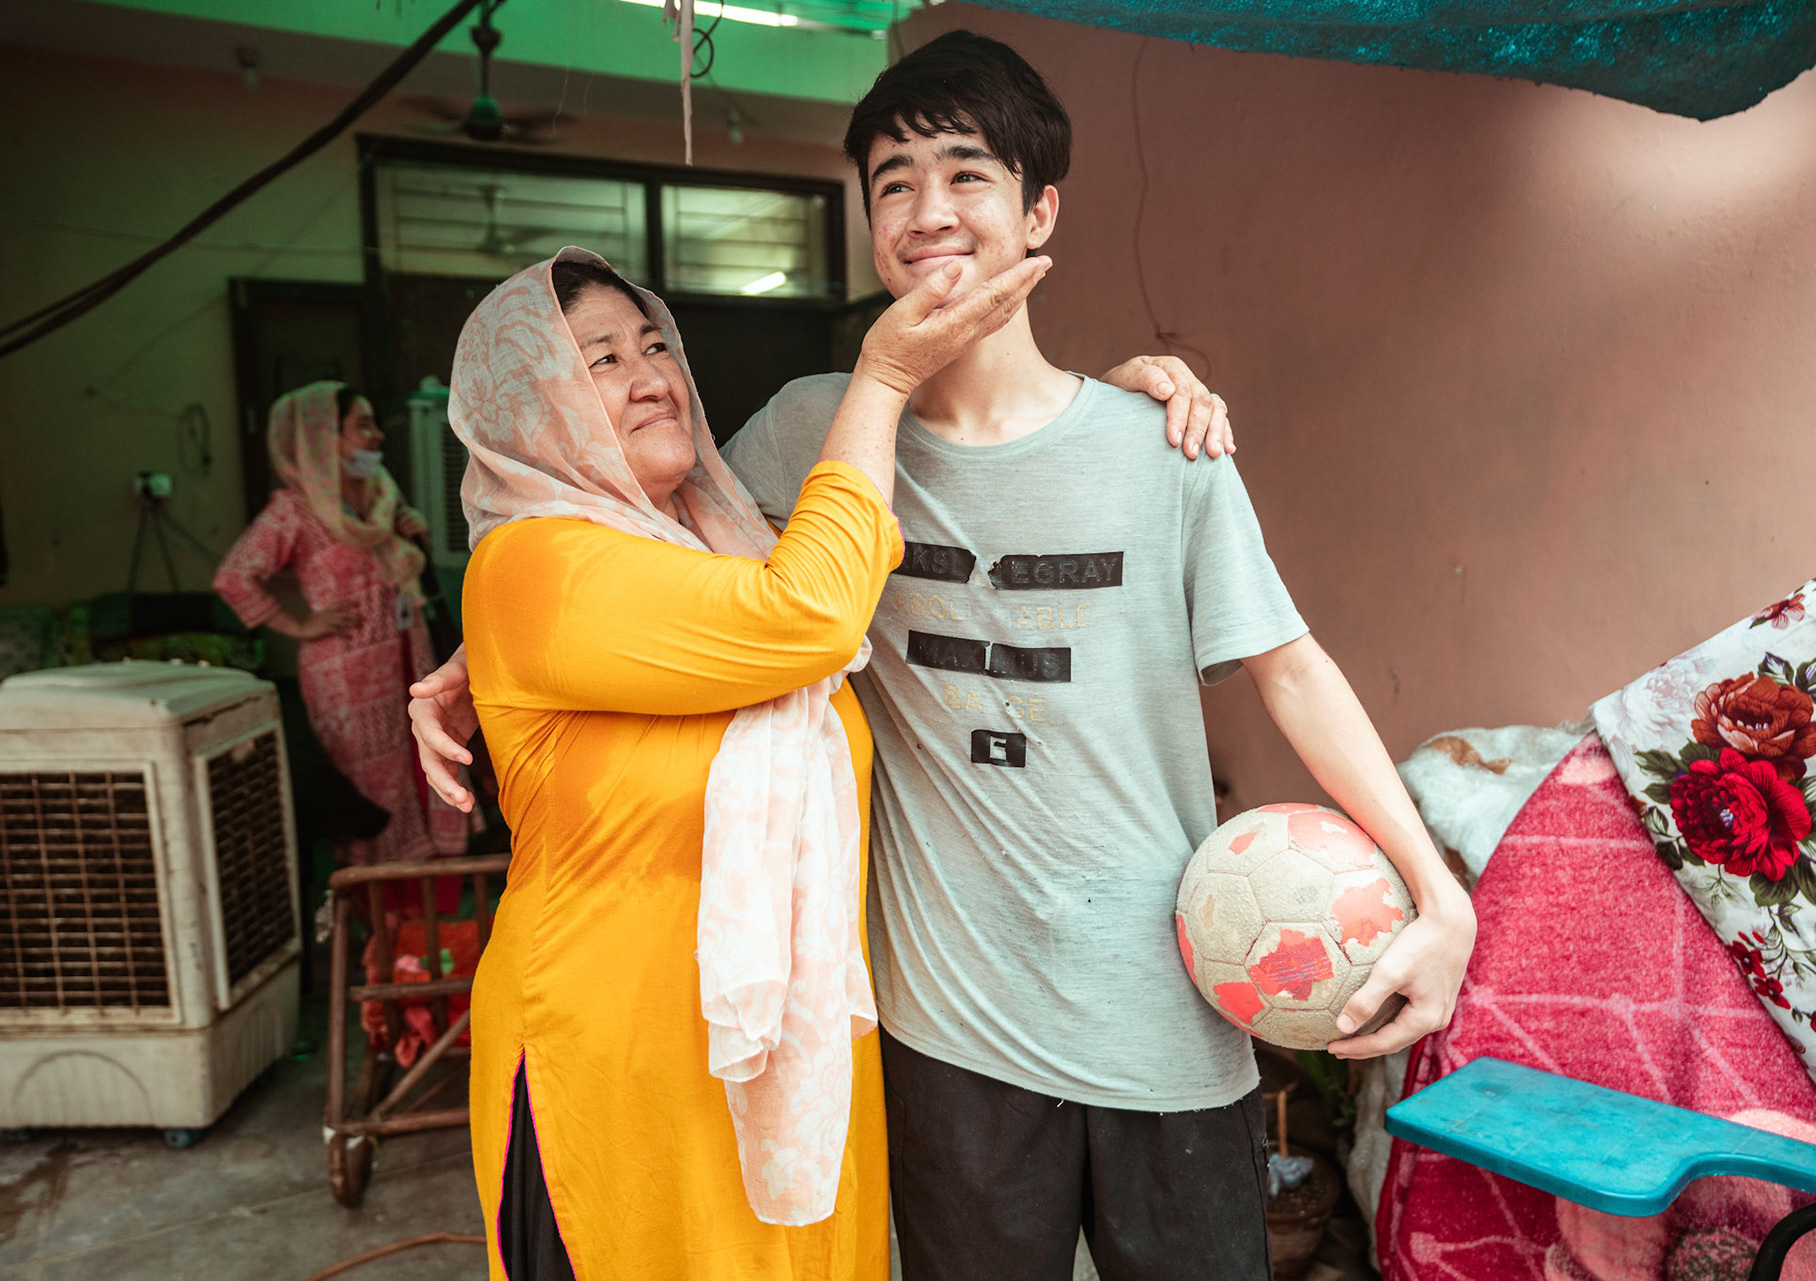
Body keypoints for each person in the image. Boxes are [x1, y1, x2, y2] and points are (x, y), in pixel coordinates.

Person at [421, 30, 1479, 1281]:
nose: (929, 211)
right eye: (893, 184)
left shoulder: (1160, 445)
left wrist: (1440, 891)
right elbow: (665, 551)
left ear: (1040, 212)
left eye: (968, 174)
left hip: (1168, 1011)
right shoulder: (814, 430)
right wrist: (467, 653)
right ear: (870, 228)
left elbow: (1291, 668)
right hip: (944, 1032)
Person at [454, 246, 1049, 1281]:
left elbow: (838, 554)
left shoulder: (715, 549)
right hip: (622, 1057)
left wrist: (1121, 389)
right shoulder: (532, 566)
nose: (651, 375)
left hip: (793, 1047)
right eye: (599, 360)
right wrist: (884, 376)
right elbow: (813, 615)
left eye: (654, 346)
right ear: (529, 406)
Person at [214, 382, 475, 870]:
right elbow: (234, 576)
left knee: (423, 767)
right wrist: (300, 625)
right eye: (362, 427)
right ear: (321, 439)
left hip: (408, 661)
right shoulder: (295, 511)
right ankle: (381, 917)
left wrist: (411, 538)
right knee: (371, 787)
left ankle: (423, 919)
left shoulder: (382, 500)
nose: (376, 437)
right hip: (346, 680)